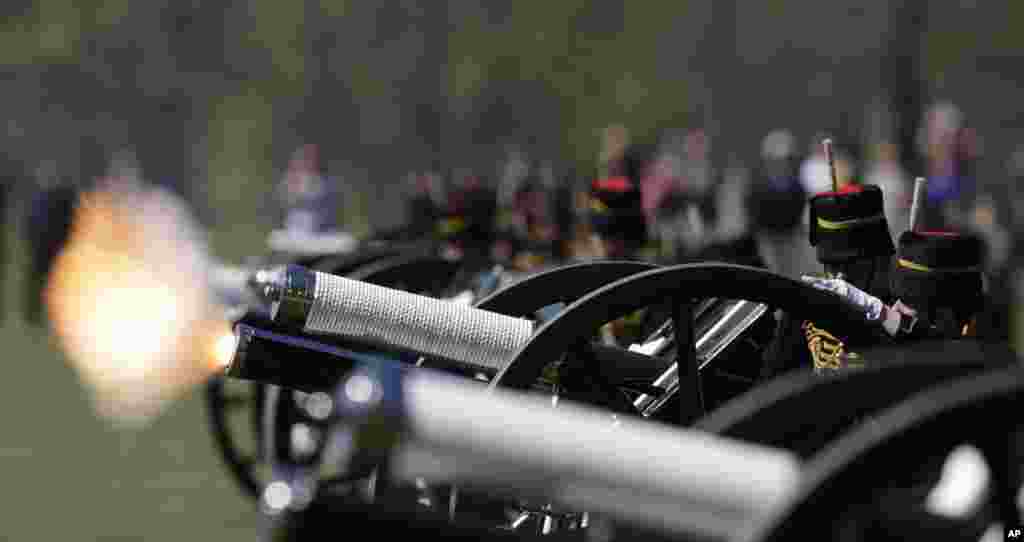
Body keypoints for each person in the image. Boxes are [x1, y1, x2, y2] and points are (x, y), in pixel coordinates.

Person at [760, 184, 897, 378]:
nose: (841, 276)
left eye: (852, 266)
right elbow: (771, 381)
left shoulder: (899, 311)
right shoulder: (806, 309)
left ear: (878, 261)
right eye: (833, 266)